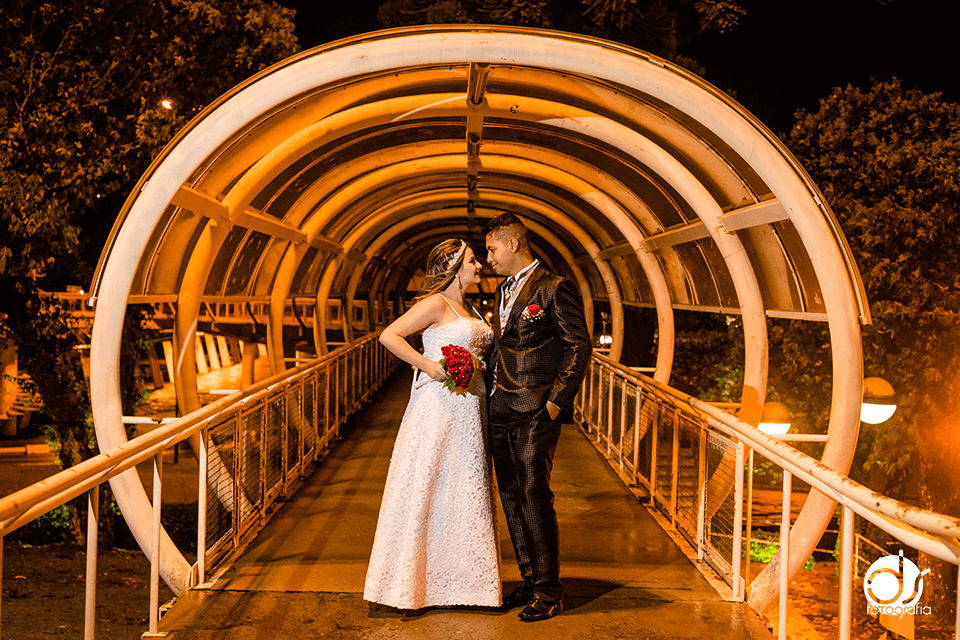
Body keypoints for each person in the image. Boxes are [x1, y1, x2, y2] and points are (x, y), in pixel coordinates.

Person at [363, 238, 501, 610]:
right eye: (473, 261)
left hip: (471, 408)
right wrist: (430, 366)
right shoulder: (436, 303)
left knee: (463, 485)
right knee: (430, 479)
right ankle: (413, 584)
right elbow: (389, 335)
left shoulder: (469, 305)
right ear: (455, 267)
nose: (479, 266)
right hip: (439, 406)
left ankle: (463, 583)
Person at [484, 213, 592, 622]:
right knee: (510, 494)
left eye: (493, 248)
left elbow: (578, 347)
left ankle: (550, 591)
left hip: (535, 409)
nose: (488, 257)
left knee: (533, 492)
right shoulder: (501, 290)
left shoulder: (553, 287)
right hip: (499, 405)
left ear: (512, 244)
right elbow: (506, 344)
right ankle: (530, 580)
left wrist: (555, 402)